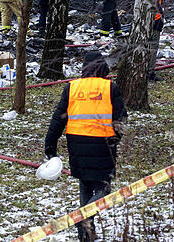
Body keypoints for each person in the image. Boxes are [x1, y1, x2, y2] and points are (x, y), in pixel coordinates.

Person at [44, 51, 127, 242]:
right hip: (103, 144)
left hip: (76, 144)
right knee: (104, 190)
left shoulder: (72, 87)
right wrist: (115, 139)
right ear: (103, 67)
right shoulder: (110, 87)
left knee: (85, 184)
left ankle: (86, 234)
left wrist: (50, 145)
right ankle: (83, 220)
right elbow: (121, 119)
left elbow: (58, 119)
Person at [147, 0, 168, 82]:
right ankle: (149, 72)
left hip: (147, 22)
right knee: (152, 48)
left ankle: (145, 70)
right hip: (154, 22)